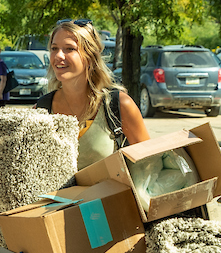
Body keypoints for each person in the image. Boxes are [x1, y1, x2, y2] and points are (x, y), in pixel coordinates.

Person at [35, 18, 150, 168]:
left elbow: (149, 165)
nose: (58, 56)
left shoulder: (118, 105)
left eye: (69, 49)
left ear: (89, 57)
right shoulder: (42, 110)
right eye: (54, 48)